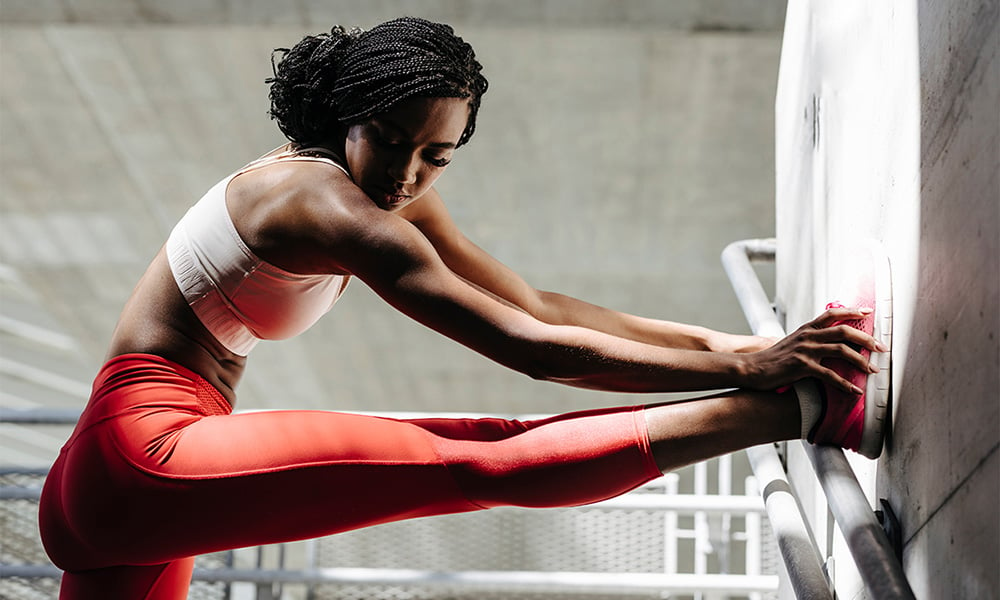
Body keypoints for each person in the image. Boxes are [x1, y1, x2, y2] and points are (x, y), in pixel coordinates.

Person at [38, 17, 887, 600]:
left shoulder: (382, 196)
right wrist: (755, 369)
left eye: (436, 157)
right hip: (141, 455)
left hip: (119, 483)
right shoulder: (320, 202)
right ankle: (805, 408)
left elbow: (533, 302)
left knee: (479, 454)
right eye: (390, 139)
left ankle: (793, 392)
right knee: (480, 455)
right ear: (346, 118)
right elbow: (535, 348)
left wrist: (731, 339)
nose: (408, 176)